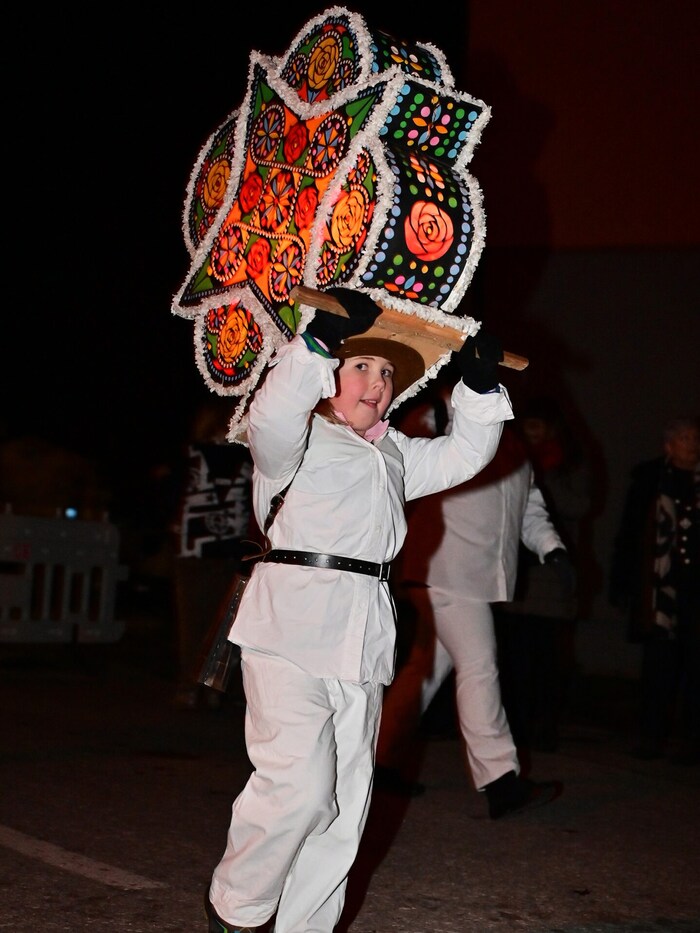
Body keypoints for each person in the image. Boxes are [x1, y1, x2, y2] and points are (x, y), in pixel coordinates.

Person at [204, 286, 513, 933]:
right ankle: (237, 907)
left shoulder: (396, 453)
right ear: (329, 376)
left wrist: (479, 388)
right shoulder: (291, 439)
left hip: (363, 638)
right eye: (361, 365)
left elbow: (464, 455)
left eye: (387, 372)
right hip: (288, 630)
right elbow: (274, 413)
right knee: (300, 785)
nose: (377, 382)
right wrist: (316, 341)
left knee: (345, 806)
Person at [374, 374, 568, 819]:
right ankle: (500, 781)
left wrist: (552, 548)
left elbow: (528, 504)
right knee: (479, 665)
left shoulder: (509, 438)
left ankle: (376, 762)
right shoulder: (434, 416)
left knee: (425, 670)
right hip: (444, 568)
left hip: (473, 574)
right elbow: (396, 467)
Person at [494, 396, 592, 754]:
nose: (533, 432)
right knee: (515, 655)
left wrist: (544, 476)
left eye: (540, 425)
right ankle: (516, 726)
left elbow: (579, 506)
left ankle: (545, 725)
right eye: (528, 425)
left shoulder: (570, 464)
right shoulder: (511, 460)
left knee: (548, 656)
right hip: (518, 572)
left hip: (551, 574)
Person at [608, 416, 700, 764]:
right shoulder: (650, 480)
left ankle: (692, 741)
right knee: (659, 664)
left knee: (695, 665)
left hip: (696, 589)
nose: (692, 444)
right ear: (669, 445)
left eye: (695, 438)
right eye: (684, 438)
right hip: (660, 588)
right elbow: (630, 533)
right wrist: (621, 582)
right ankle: (651, 736)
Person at [171, 396, 253, 710]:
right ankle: (212, 689)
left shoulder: (193, 456)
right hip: (229, 547)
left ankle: (191, 687)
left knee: (195, 621)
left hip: (196, 547)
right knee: (225, 622)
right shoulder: (247, 457)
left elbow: (177, 498)